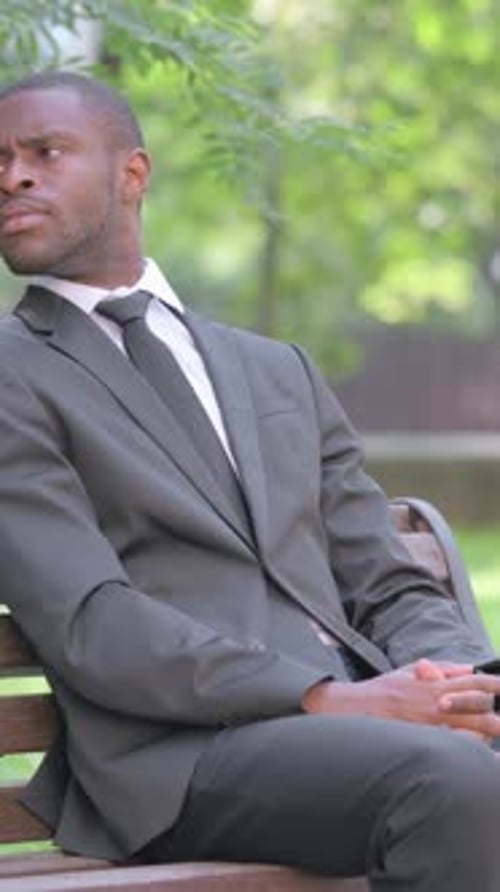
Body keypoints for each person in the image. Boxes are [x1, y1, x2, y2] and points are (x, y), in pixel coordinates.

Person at [0, 70, 499, 891]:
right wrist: (324, 699)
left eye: (45, 151)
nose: (14, 175)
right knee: (453, 782)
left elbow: (384, 576)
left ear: (133, 174)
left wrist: (459, 686)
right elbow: (94, 622)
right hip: (182, 755)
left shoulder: (277, 371)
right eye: (1, 160)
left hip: (360, 727)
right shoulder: (14, 377)